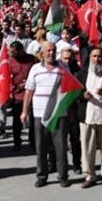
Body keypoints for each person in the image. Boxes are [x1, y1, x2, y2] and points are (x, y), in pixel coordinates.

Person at [22, 41, 70, 188]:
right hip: (39, 114)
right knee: (40, 147)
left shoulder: (63, 67)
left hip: (58, 114)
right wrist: (24, 111)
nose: (51, 53)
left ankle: (63, 176)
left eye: (53, 50)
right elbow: (29, 91)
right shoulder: (35, 69)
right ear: (42, 53)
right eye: (48, 50)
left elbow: (70, 88)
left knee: (60, 147)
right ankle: (42, 176)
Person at [79, 46, 102, 189]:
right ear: (90, 58)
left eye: (99, 56)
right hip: (87, 115)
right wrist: (83, 95)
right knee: (87, 147)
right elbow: (75, 91)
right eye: (94, 56)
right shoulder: (82, 73)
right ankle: (89, 176)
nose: (97, 59)